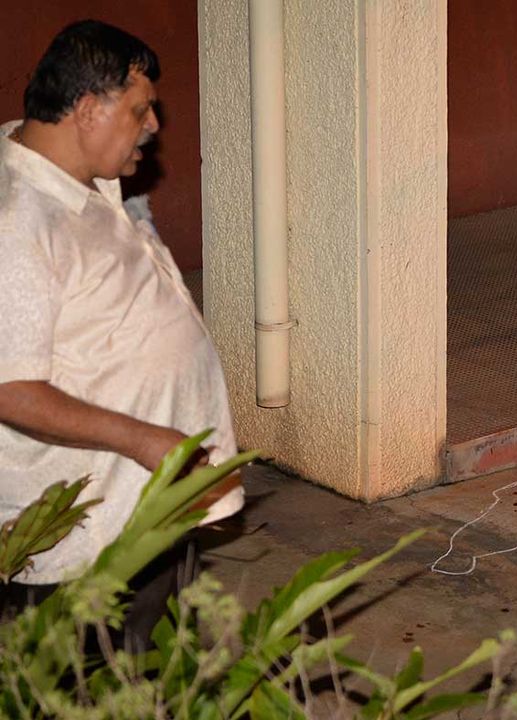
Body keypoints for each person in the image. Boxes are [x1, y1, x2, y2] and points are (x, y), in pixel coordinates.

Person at [0, 20, 242, 649]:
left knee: (148, 664)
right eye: (141, 110)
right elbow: (9, 389)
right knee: (86, 682)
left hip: (140, 506)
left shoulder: (83, 176)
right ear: (86, 110)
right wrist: (147, 441)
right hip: (83, 540)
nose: (155, 126)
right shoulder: (17, 223)